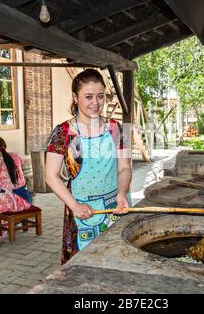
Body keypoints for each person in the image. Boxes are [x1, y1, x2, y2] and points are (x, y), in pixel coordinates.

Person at [45, 69, 132, 264]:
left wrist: (122, 194)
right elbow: (50, 176)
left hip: (115, 208)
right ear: (75, 98)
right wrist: (74, 205)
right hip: (82, 212)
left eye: (100, 96)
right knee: (85, 266)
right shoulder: (64, 132)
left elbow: (124, 168)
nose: (96, 102)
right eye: (89, 96)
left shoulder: (116, 129)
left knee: (118, 261)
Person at [0, 136, 32, 239]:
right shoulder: (16, 156)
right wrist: (1, 187)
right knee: (1, 197)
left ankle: (1, 234)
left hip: (12, 202)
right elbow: (14, 177)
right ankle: (17, 222)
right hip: (26, 199)